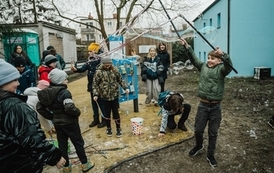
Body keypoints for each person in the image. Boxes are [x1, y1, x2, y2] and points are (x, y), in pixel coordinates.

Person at [0, 59, 66, 172]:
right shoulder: (16, 106)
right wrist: (55, 157)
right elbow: (32, 136)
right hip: (20, 164)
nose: (18, 83)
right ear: (3, 82)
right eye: (14, 80)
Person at [180, 38, 233, 167]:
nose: (209, 60)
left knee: (213, 133)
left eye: (213, 58)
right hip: (203, 106)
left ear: (219, 61)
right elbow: (194, 59)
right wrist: (187, 47)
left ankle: (210, 155)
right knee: (198, 130)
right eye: (208, 57)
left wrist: (224, 55)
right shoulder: (202, 66)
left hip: (215, 107)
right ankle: (199, 146)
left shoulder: (221, 70)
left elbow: (229, 66)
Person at [36, 68, 94, 173]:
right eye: (65, 79)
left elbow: (39, 107)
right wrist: (77, 112)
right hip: (70, 123)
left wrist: (51, 116)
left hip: (58, 124)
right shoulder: (64, 93)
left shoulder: (47, 93)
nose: (67, 80)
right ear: (59, 80)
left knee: (62, 145)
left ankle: (66, 166)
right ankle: (85, 164)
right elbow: (69, 107)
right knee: (78, 143)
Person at [71, 43, 106, 128]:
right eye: (88, 51)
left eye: (90, 51)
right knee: (94, 103)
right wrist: (76, 70)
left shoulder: (101, 60)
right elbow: (83, 69)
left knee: (101, 103)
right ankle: (96, 119)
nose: (89, 53)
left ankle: (104, 120)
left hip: (100, 86)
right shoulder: (89, 60)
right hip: (91, 86)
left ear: (95, 51)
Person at [92, 56, 129, 137]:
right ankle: (108, 128)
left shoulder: (115, 70)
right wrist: (95, 94)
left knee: (116, 113)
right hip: (104, 97)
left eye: (109, 63)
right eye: (106, 64)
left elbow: (120, 80)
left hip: (114, 96)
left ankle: (118, 128)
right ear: (103, 64)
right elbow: (95, 84)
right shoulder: (99, 72)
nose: (107, 65)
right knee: (106, 114)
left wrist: (125, 88)